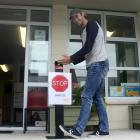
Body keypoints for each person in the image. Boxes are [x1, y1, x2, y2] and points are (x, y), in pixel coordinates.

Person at [58, 8, 109, 139]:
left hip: (98, 64)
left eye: (77, 16)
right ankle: (104, 130)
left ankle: (78, 130)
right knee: (97, 98)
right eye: (73, 19)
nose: (75, 20)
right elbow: (86, 53)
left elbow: (88, 47)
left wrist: (71, 58)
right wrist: (70, 60)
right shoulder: (83, 33)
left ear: (82, 14)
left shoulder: (92, 25)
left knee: (86, 96)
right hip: (97, 64)